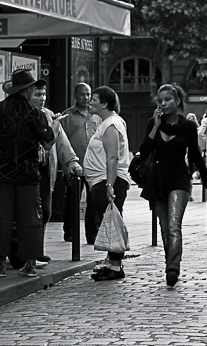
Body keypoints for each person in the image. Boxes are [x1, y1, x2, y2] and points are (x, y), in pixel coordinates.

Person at [0, 69, 64, 279]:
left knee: (3, 218)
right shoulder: (35, 113)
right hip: (27, 173)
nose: (35, 90)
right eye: (33, 87)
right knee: (29, 218)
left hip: (1, 173)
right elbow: (47, 140)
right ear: (26, 90)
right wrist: (55, 125)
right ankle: (30, 264)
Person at [139, 84, 207, 287]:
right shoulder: (153, 123)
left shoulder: (188, 127)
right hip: (158, 182)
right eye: (160, 100)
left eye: (167, 99)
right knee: (165, 229)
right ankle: (170, 262)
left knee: (174, 226)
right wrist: (155, 127)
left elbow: (195, 156)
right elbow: (144, 152)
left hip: (180, 181)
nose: (163, 104)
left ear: (178, 101)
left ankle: (172, 269)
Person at [30, 80, 82, 262]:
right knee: (30, 213)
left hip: (45, 171)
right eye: (38, 94)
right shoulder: (26, 114)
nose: (42, 98)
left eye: (44, 94)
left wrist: (72, 162)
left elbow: (61, 141)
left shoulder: (50, 115)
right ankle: (30, 253)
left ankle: (37, 249)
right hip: (27, 171)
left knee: (45, 210)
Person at [83, 86, 131, 280]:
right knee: (109, 221)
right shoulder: (108, 122)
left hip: (108, 180)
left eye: (94, 99)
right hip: (102, 180)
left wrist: (109, 185)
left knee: (111, 221)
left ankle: (116, 265)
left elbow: (112, 157)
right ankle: (112, 263)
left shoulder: (111, 124)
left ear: (104, 103)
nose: (90, 102)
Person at [61, 83, 101, 244]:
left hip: (94, 166)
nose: (86, 98)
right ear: (75, 96)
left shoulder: (97, 115)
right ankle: (69, 232)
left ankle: (92, 234)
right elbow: (61, 141)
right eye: (82, 94)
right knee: (72, 200)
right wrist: (66, 165)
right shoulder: (67, 116)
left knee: (93, 202)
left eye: (88, 94)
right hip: (74, 166)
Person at [185, 112, 200, 202]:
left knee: (187, 176)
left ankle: (188, 195)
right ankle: (189, 194)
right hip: (193, 155)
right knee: (189, 176)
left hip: (186, 156)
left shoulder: (182, 130)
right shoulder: (198, 130)